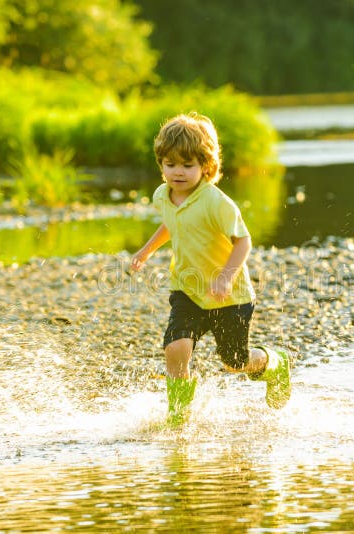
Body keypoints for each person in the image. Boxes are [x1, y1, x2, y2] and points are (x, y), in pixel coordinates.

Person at [130, 112, 291, 425]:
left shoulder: (217, 202)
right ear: (160, 163)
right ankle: (178, 416)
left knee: (235, 362)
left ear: (206, 166)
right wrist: (146, 250)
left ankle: (275, 362)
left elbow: (243, 242)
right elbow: (172, 223)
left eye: (187, 165)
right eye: (170, 164)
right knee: (176, 348)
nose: (178, 172)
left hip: (229, 296)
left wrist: (225, 276)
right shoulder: (163, 195)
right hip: (187, 288)